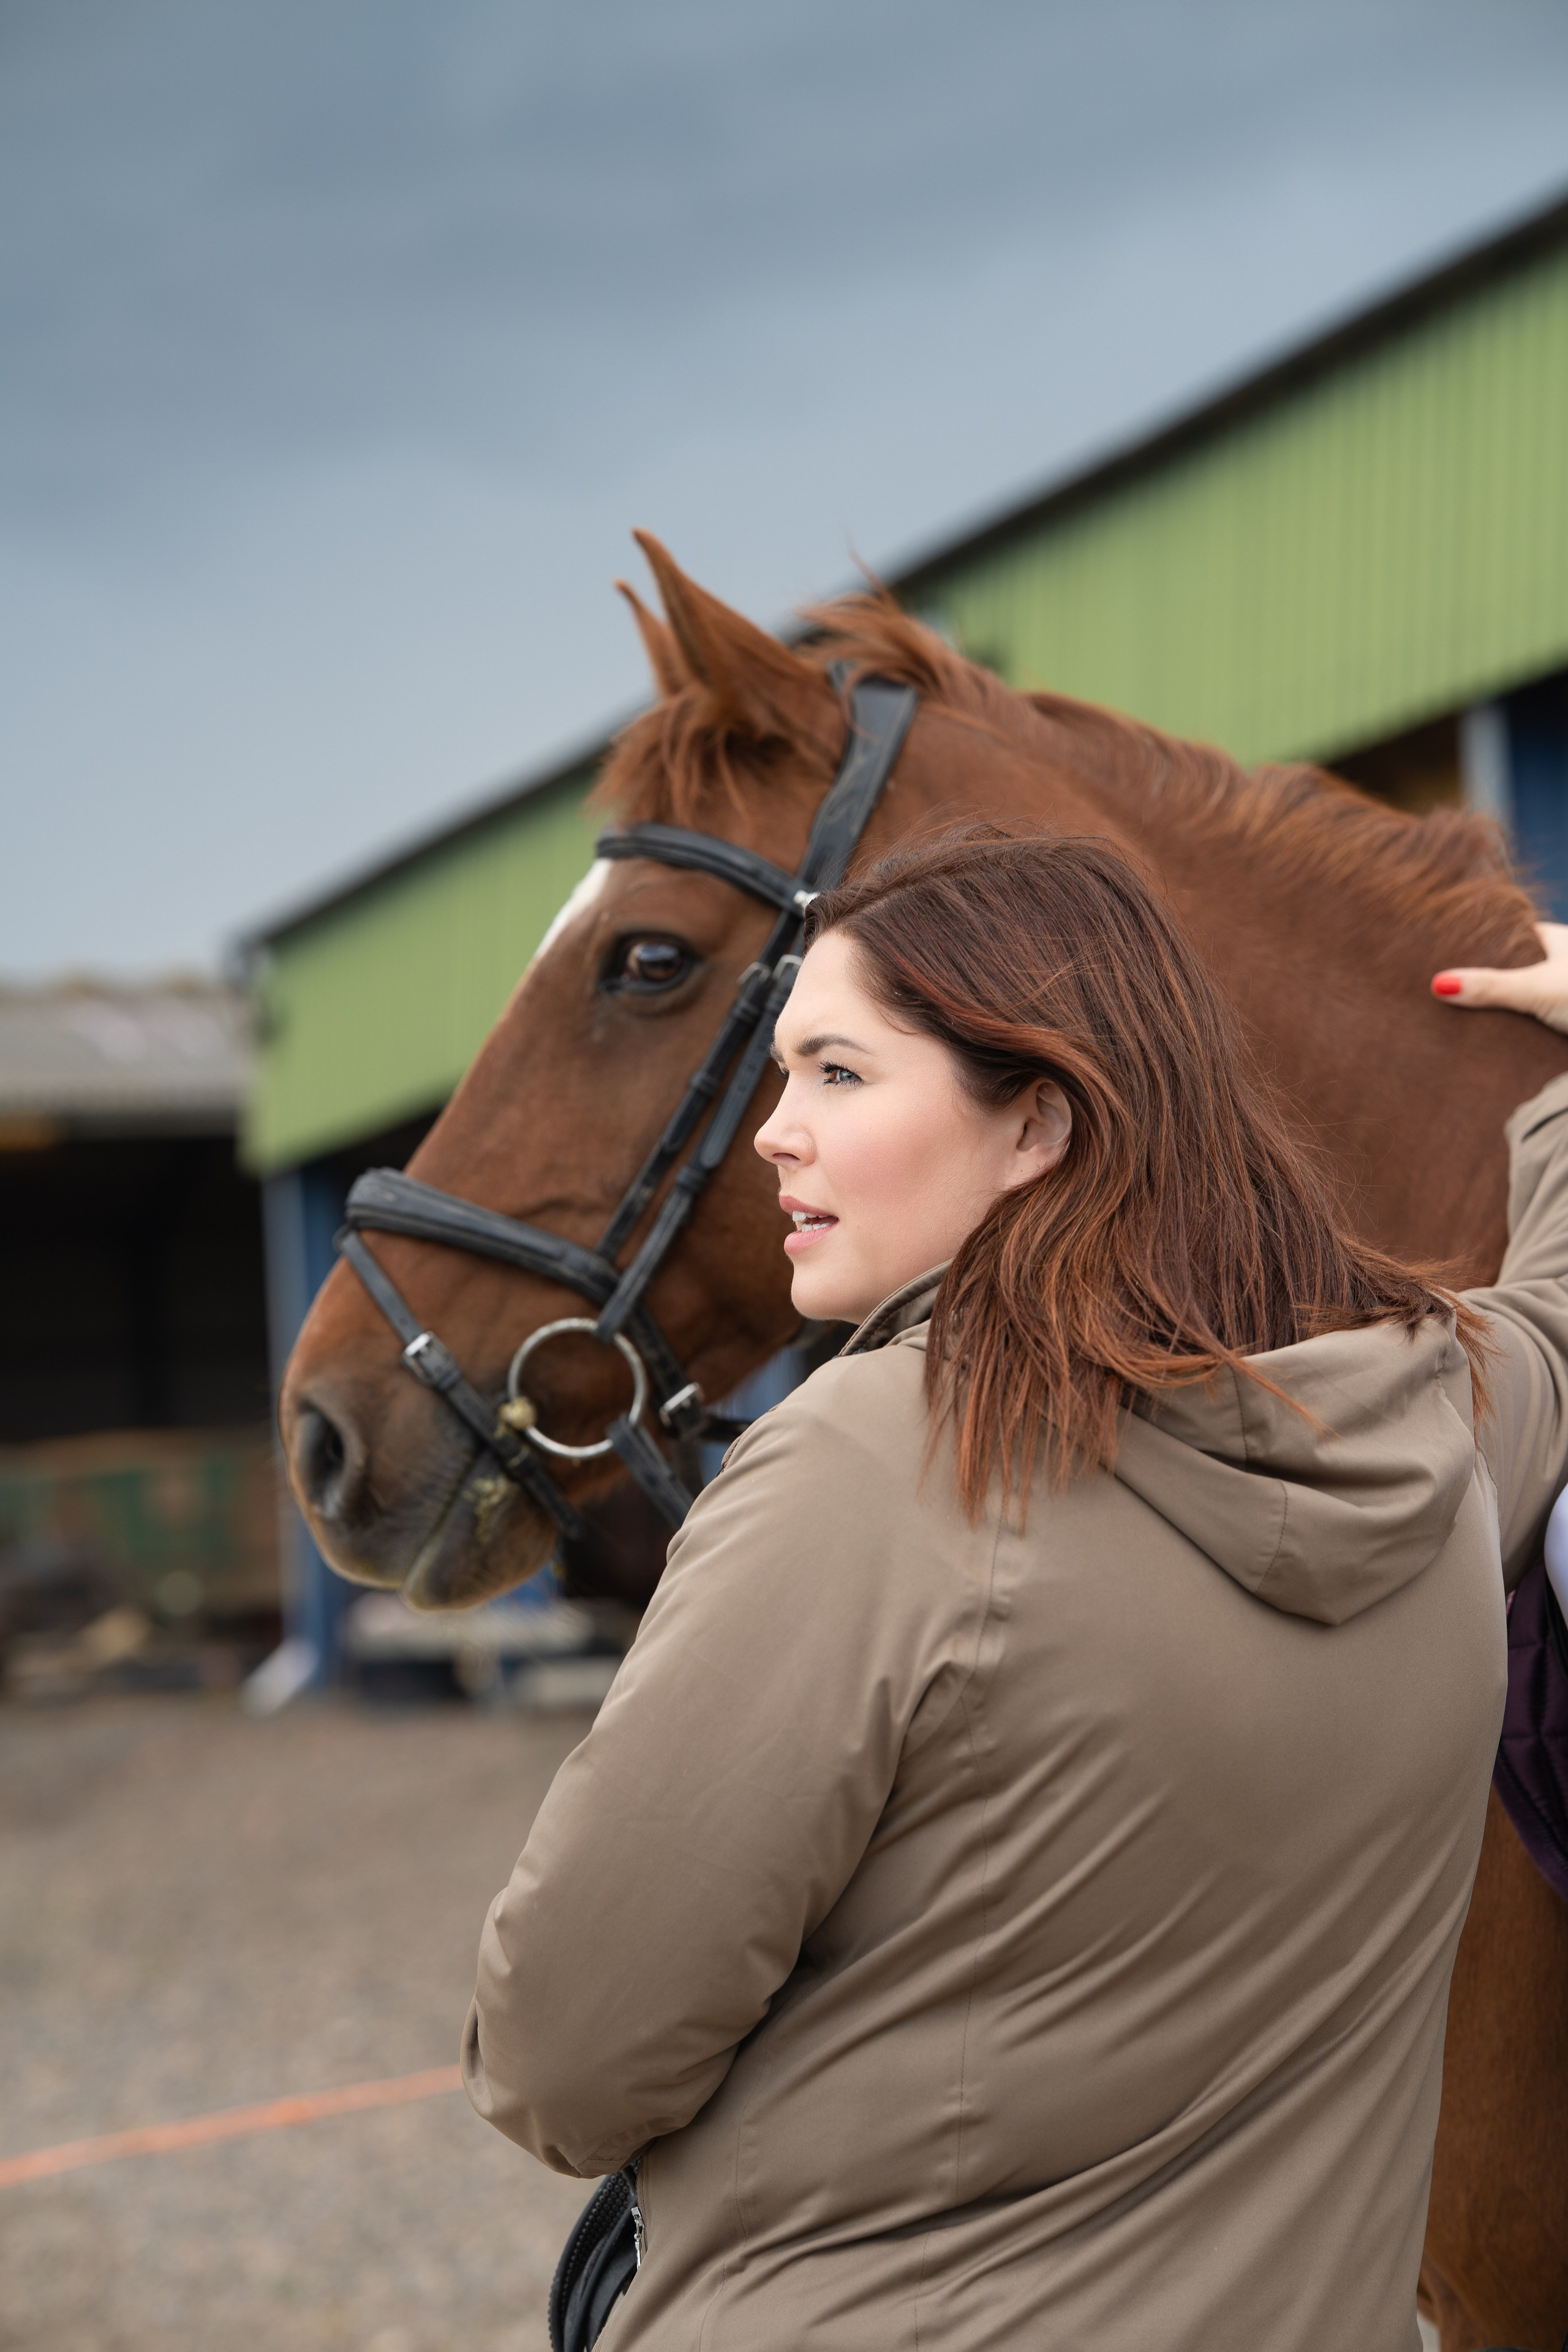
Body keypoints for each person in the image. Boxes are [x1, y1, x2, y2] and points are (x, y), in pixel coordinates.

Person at [462, 831, 1568, 2351]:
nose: (772, 1135)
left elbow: (566, 2061)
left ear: (1038, 1121)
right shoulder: (1428, 1428)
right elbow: (1552, 1320)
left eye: (838, 1075)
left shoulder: (860, 1472)